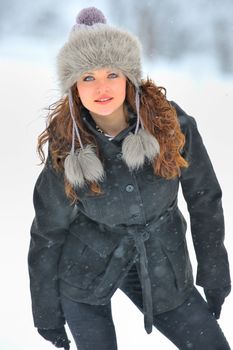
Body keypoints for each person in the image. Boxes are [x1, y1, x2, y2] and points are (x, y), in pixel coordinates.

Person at [28, 7, 231, 350]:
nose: (101, 87)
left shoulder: (173, 127)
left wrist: (213, 273)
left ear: (129, 77)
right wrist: (46, 311)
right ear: (74, 86)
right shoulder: (66, 144)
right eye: (87, 77)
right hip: (86, 268)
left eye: (112, 74)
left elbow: (204, 198)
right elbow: (48, 230)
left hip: (163, 261)